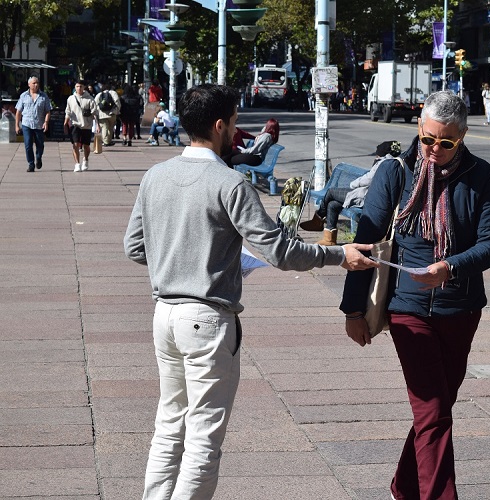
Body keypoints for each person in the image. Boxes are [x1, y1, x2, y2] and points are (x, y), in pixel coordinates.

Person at [123, 83, 378, 499]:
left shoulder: (156, 175)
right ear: (221, 125)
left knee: (169, 425)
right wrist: (338, 256)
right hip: (206, 319)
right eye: (236, 123)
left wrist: (181, 259)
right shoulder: (229, 183)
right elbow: (278, 250)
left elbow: (134, 247)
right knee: (203, 437)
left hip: (164, 315)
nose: (237, 131)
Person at [341, 91, 490, 499]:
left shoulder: (479, 175)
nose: (434, 150)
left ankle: (405, 485)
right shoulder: (396, 173)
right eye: (429, 139)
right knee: (432, 412)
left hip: (460, 309)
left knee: (436, 411)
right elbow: (367, 240)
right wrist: (353, 309)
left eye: (446, 143)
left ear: (462, 138)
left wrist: (452, 267)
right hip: (407, 309)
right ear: (419, 127)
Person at [299, 140, 403, 245]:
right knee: (333, 204)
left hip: (367, 197)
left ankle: (318, 219)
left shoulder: (384, 163)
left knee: (331, 192)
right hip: (365, 195)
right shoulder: (390, 162)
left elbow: (368, 179)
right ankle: (329, 239)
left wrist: (353, 184)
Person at [14, 76, 52, 172]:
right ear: (29, 85)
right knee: (28, 145)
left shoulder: (44, 96)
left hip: (39, 124)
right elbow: (18, 112)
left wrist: (46, 122)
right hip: (26, 124)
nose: (36, 85)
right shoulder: (23, 96)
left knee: (40, 145)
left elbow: (48, 111)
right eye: (34, 83)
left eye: (37, 83)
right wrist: (17, 125)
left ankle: (38, 158)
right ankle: (31, 164)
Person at [63, 80, 98, 172]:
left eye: (81, 86)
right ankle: (77, 164)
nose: (79, 88)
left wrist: (98, 125)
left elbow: (95, 113)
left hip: (86, 125)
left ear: (84, 87)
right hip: (75, 125)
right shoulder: (71, 98)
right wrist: (65, 122)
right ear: (75, 87)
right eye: (77, 86)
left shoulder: (90, 99)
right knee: (75, 145)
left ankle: (85, 160)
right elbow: (68, 111)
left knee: (86, 146)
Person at [95, 82, 120, 146]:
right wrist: (116, 111)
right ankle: (108, 141)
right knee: (110, 128)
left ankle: (105, 141)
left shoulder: (99, 94)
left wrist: (97, 113)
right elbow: (117, 102)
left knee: (104, 127)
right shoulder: (113, 93)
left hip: (102, 114)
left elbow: (95, 104)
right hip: (112, 113)